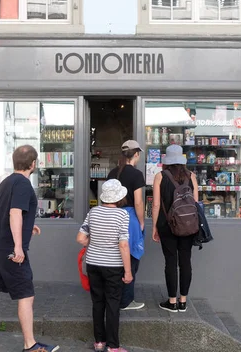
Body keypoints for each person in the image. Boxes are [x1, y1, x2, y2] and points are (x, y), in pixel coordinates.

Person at [0, 145, 59, 352]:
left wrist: (29, 226)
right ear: (33, 164)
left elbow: (3, 213)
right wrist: (18, 247)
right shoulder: (23, 184)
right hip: (10, 249)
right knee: (26, 294)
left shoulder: (6, 182)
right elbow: (14, 213)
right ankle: (30, 345)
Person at [77, 179, 133, 352]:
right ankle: (113, 346)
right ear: (119, 197)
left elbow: (80, 238)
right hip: (113, 266)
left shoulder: (93, 212)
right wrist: (128, 271)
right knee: (113, 303)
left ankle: (99, 342)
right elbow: (123, 245)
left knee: (98, 302)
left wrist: (94, 243)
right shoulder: (122, 215)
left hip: (93, 263)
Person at [151, 144, 199, 313]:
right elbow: (195, 204)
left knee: (170, 261)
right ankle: (183, 301)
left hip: (167, 225)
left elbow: (156, 204)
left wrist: (154, 226)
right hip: (188, 225)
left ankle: (172, 302)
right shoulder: (191, 176)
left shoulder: (160, 176)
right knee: (186, 261)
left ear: (167, 161)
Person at [107, 140, 145, 311]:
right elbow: (138, 202)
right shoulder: (136, 175)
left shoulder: (112, 173)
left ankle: (114, 297)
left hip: (112, 216)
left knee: (114, 257)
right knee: (131, 257)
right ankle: (127, 300)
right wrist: (142, 222)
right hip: (129, 218)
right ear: (136, 154)